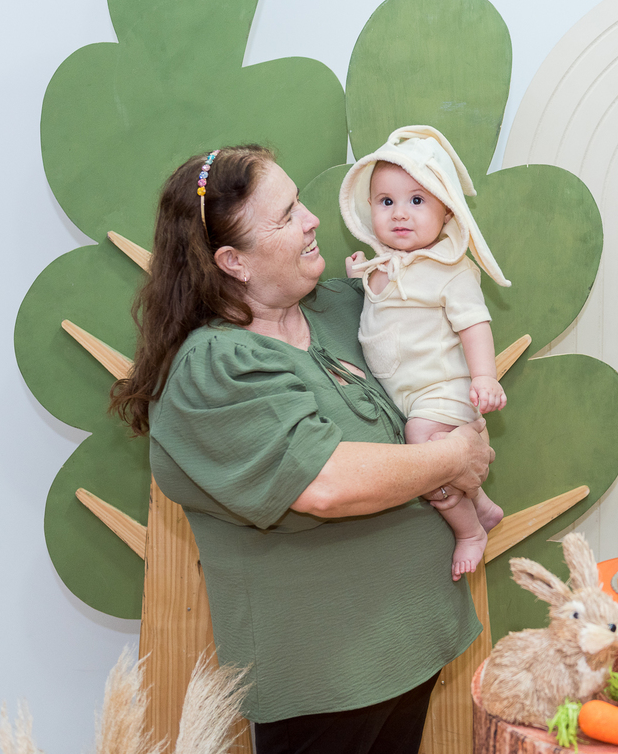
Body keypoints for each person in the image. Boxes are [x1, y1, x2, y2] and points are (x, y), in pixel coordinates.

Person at [110, 144, 495, 754]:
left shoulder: (344, 307)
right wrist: (455, 458)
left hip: (413, 643)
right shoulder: (215, 368)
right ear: (233, 261)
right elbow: (325, 483)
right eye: (287, 215)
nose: (313, 220)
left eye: (301, 203)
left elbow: (441, 366)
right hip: (325, 682)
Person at [341, 126, 510, 580]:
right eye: (386, 201)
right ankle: (481, 503)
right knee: (435, 449)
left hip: (444, 389)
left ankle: (469, 531)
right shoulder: (382, 265)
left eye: (417, 200)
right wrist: (360, 274)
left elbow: (474, 325)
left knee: (422, 442)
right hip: (408, 394)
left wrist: (485, 377)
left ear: (446, 209)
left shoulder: (450, 269)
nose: (400, 213)